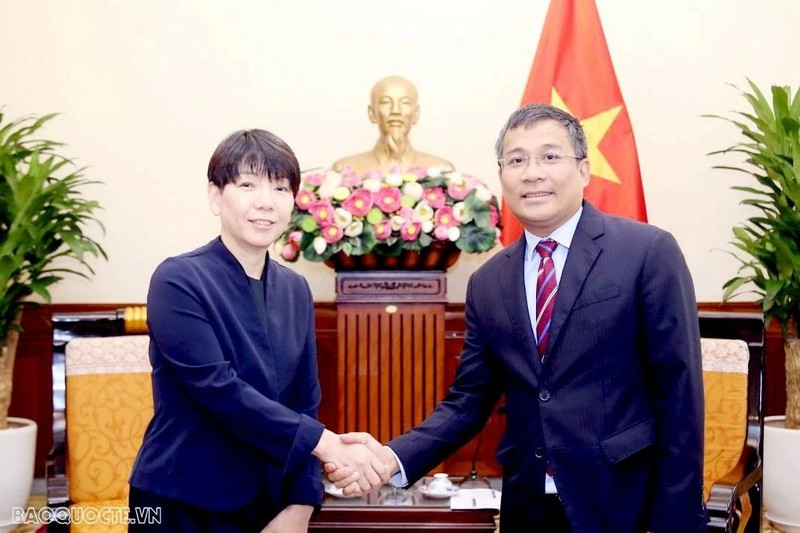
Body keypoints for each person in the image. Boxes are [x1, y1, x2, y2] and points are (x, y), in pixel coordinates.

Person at [326, 104, 707, 532]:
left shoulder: (646, 252)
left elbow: (680, 396)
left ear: (584, 170)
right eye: (517, 160)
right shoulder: (489, 281)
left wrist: (676, 522)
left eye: (550, 157)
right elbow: (468, 401)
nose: (532, 173)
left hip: (624, 503)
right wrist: (391, 457)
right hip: (528, 506)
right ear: (503, 174)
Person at [128, 129, 387, 532]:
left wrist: (301, 505)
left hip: (271, 503)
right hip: (182, 500)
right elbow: (220, 390)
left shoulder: (295, 289)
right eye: (247, 185)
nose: (265, 202)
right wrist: (329, 444)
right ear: (215, 196)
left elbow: (304, 402)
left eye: (280, 188)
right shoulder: (177, 280)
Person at [331, 75, 453, 175]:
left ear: (416, 113)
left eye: (405, 102)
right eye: (386, 102)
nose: (395, 110)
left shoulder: (441, 170)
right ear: (372, 113)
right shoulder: (345, 170)